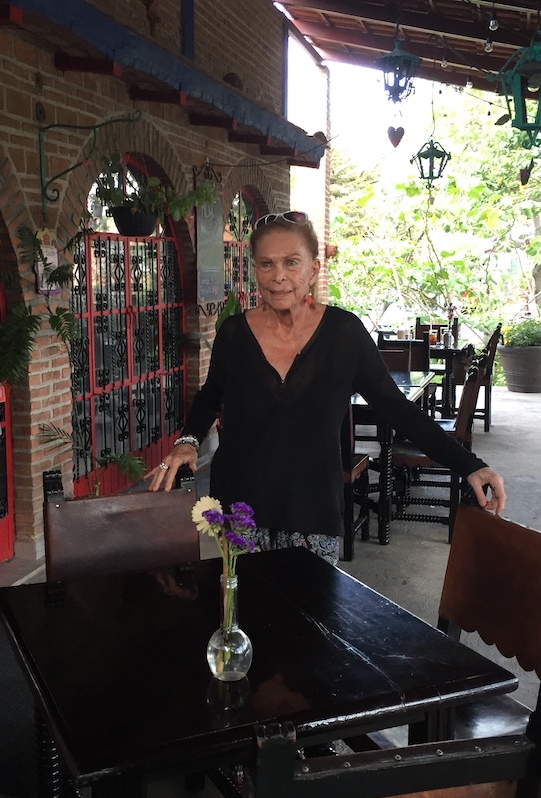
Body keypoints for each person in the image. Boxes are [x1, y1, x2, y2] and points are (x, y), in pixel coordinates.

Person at [147, 211, 505, 564]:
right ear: (255, 269)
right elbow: (210, 396)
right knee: (246, 601)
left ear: (314, 268)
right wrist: (187, 441)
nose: (278, 276)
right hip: (241, 510)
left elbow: (399, 410)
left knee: (312, 601)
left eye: (291, 262)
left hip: (313, 509)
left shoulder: (344, 334)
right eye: (267, 264)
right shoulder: (234, 334)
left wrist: (468, 464)